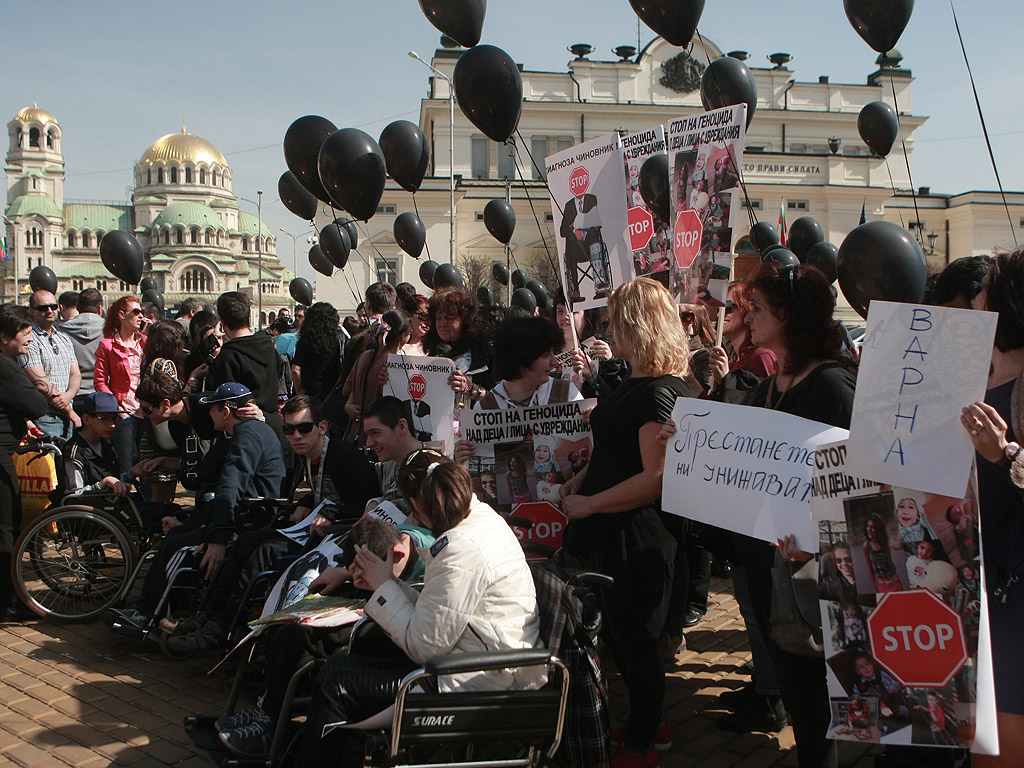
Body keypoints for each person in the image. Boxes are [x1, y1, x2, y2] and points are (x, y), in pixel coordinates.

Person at [297, 453, 544, 767]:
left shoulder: (461, 548)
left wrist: (384, 586)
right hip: (478, 658)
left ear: (418, 503)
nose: (410, 521)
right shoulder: (480, 519)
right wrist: (383, 583)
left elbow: (425, 647)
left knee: (338, 684)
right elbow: (438, 610)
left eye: (411, 512)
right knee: (348, 659)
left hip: (484, 679)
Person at [561, 278, 690, 768]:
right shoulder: (634, 382)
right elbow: (615, 450)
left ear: (638, 324)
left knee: (636, 640)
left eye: (616, 318)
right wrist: (583, 480)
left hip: (636, 534)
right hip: (611, 526)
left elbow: (653, 478)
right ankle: (646, 720)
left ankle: (643, 742)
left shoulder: (660, 391)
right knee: (622, 635)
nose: (609, 328)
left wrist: (592, 505)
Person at [740, 261, 856, 768]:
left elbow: (862, 484)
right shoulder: (776, 382)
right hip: (781, 565)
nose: (750, 317)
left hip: (824, 574)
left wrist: (819, 541)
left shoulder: (833, 388)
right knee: (801, 700)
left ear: (788, 316)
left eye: (759, 308)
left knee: (817, 711)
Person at [216, 515, 435, 758]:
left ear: (399, 556)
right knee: (286, 624)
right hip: (377, 600)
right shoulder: (388, 537)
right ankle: (268, 709)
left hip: (402, 622)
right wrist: (346, 572)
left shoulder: (431, 558)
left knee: (300, 636)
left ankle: (273, 722)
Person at [957, 247, 1024, 767]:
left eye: (986, 287)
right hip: (971, 588)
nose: (976, 296)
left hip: (1013, 598)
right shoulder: (969, 378)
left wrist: (1006, 457)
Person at [0, 304, 48, 621]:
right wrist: (39, 391)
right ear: (4, 337)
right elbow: (35, 403)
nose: (29, 339)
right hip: (1, 456)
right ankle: (7, 603)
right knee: (6, 528)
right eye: (24, 333)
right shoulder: (5, 366)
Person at [210, 292, 283, 442]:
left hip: (243, 433)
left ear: (223, 324)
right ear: (249, 318)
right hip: (271, 425)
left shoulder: (228, 356)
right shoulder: (269, 347)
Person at [94, 295, 146, 475]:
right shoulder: (107, 345)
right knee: (126, 461)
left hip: (147, 411)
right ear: (122, 314)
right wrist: (117, 408)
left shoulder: (146, 342)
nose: (141, 316)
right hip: (124, 412)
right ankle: (125, 498)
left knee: (147, 461)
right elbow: (100, 381)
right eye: (136, 312)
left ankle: (147, 502)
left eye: (142, 312)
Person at [342, 309, 411, 444]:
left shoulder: (364, 356)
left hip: (352, 434)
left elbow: (346, 389)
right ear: (403, 336)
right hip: (377, 440)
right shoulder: (394, 366)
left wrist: (349, 405)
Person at [20, 289, 82, 439]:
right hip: (45, 417)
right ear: (31, 311)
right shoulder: (28, 340)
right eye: (43, 308)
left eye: (53, 307)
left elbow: (76, 373)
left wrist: (69, 396)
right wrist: (69, 411)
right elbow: (40, 382)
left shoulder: (64, 338)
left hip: (69, 413)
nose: (49, 311)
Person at [423, 286, 496, 395]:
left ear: (465, 319)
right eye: (439, 318)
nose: (443, 324)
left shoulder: (485, 355)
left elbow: (499, 400)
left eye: (449, 318)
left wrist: (470, 389)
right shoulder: (432, 353)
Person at [63, 391, 129, 497]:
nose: (112, 425)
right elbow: (74, 495)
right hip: (88, 509)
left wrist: (132, 474)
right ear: (86, 419)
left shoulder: (107, 444)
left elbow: (115, 480)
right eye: (104, 418)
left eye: (114, 419)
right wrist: (103, 484)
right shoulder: (74, 452)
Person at [60, 288, 106, 397]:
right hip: (103, 394)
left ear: (78, 308)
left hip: (71, 392)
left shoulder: (61, 330)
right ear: (100, 309)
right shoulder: (111, 330)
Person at [291, 302, 341, 400]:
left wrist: (299, 390)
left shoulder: (305, 340)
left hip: (309, 391)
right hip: (329, 391)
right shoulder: (336, 340)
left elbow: (295, 370)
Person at [861, 512, 904, 593]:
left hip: (895, 583)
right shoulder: (866, 545)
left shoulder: (885, 541)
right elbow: (870, 568)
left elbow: (899, 545)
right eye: (868, 526)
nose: (869, 530)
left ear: (878, 529)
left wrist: (901, 524)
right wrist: (876, 588)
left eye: (873, 527)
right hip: (882, 585)